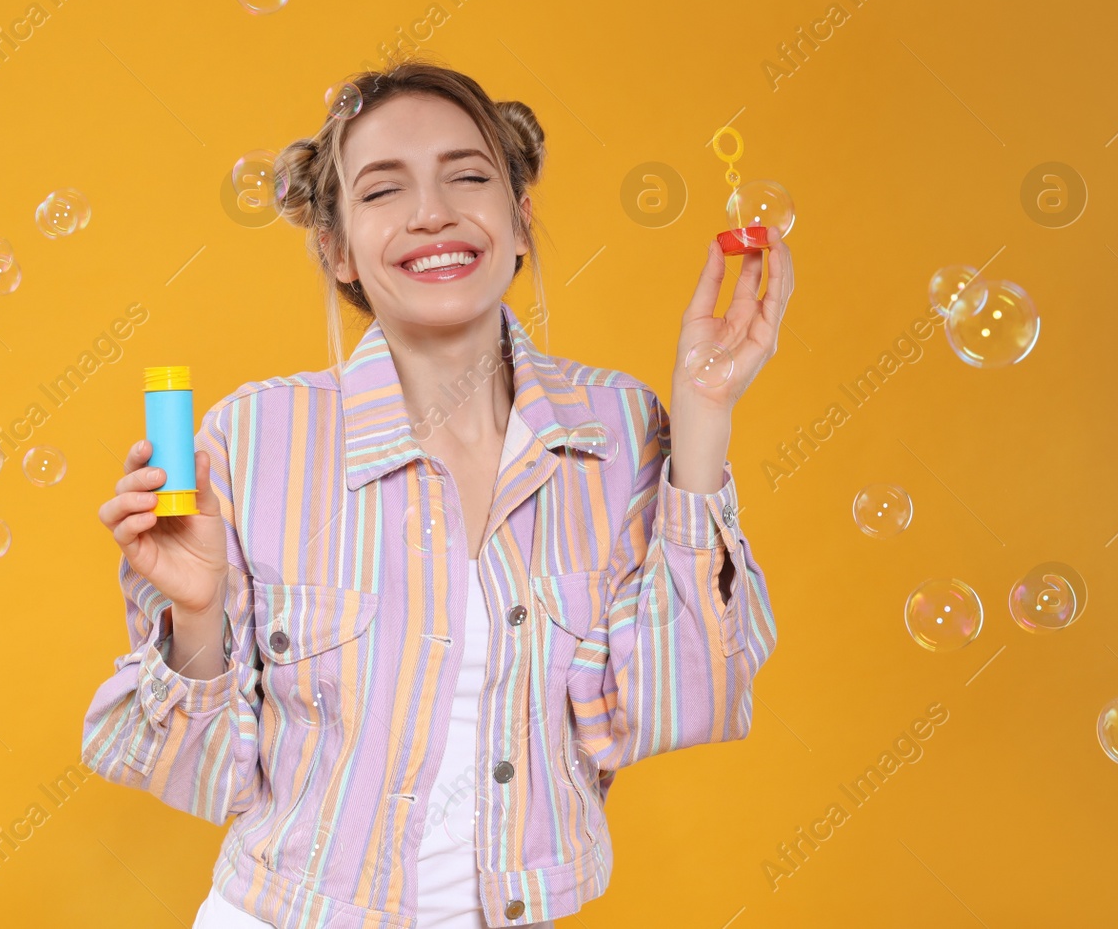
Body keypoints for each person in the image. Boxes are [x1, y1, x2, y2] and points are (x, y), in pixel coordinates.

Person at [84, 60, 789, 929]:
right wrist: (195, 618)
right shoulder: (254, 438)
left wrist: (705, 416)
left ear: (521, 220)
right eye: (384, 190)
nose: (433, 212)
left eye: (468, 175)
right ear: (335, 246)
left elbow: (674, 704)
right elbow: (199, 774)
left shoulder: (618, 427)